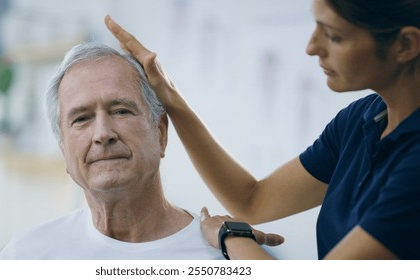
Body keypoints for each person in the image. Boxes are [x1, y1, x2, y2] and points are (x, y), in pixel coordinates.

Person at [105, 0, 420, 260]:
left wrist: (232, 236)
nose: (311, 47)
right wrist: (170, 97)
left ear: (405, 44)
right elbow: (252, 199)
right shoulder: (360, 120)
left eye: (334, 36)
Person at [0, 42, 282, 259]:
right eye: (81, 118)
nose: (103, 134)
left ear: (160, 133)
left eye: (121, 111)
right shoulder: (25, 256)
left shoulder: (228, 256)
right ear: (64, 153)